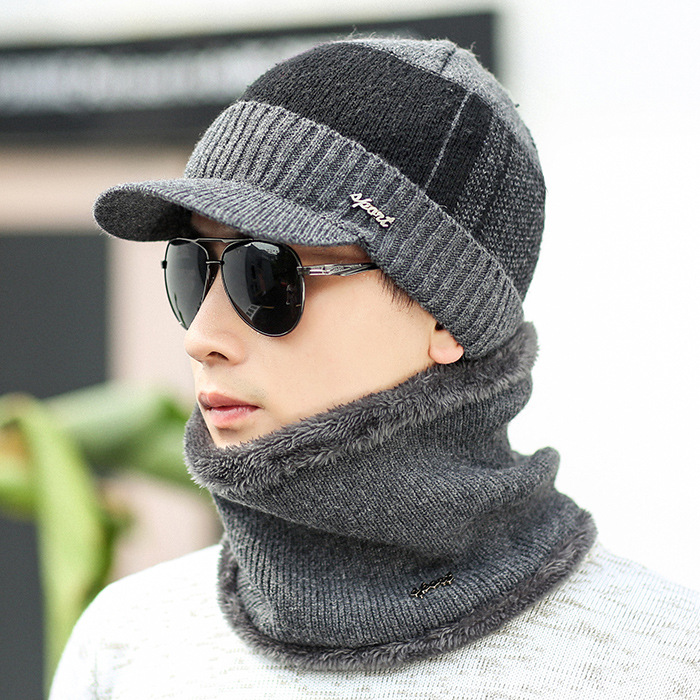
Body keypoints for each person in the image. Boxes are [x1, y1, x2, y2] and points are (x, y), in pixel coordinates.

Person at [50, 37, 699, 699]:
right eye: (193, 268)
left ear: (446, 313)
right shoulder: (129, 644)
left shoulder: (664, 663)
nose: (202, 336)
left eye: (265, 275)